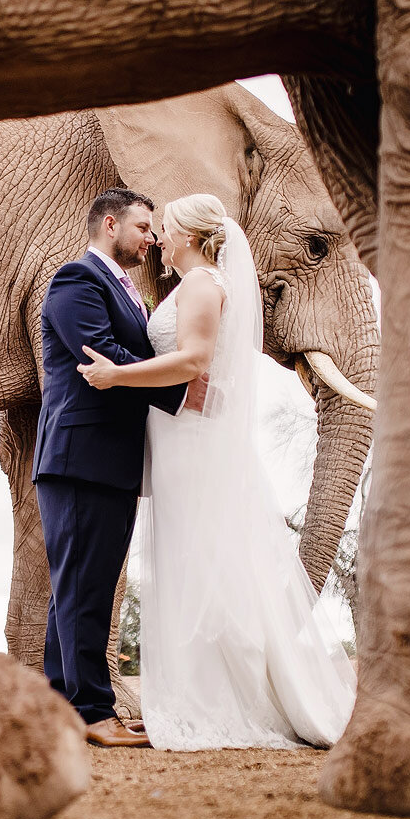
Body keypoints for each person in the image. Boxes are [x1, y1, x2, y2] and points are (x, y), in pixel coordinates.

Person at [78, 193, 356, 750]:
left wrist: (115, 377)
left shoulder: (203, 284)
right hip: (183, 434)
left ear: (189, 235)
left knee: (198, 559)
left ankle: (214, 697)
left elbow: (194, 361)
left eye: (166, 228)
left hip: (192, 441)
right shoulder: (196, 285)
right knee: (196, 557)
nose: (158, 238)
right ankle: (205, 688)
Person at [33, 188, 188, 748]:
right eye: (144, 227)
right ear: (109, 224)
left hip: (108, 462)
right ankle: (95, 713)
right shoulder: (77, 281)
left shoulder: (128, 290)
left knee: (78, 587)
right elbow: (98, 353)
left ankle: (62, 709)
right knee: (85, 589)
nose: (151, 238)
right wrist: (182, 388)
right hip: (81, 458)